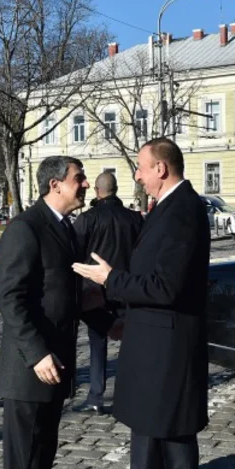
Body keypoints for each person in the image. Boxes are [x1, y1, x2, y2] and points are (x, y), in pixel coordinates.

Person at [73, 138, 210, 469]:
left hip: (168, 351)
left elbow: (166, 286)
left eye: (141, 167)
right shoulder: (167, 206)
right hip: (153, 345)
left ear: (160, 169)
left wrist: (110, 279)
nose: (137, 176)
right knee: (150, 442)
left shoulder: (182, 210)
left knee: (174, 447)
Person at [0, 156, 119, 469]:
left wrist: (110, 326)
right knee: (24, 468)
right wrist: (36, 353)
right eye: (79, 178)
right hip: (30, 368)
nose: (86, 184)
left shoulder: (66, 229)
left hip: (57, 363)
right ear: (55, 184)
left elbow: (72, 294)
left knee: (41, 462)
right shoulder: (26, 228)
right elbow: (10, 298)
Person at [73, 172, 143, 415]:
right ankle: (133, 393)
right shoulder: (135, 219)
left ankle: (95, 396)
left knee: (97, 343)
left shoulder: (87, 219)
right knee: (132, 343)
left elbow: (74, 254)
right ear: (116, 189)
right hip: (126, 286)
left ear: (97, 191)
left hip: (96, 291)